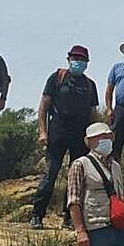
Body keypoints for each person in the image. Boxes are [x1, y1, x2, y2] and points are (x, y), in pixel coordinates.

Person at [32, 45, 99, 230]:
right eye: (75, 59)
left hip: (80, 135)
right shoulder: (57, 78)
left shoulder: (89, 85)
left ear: (87, 63)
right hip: (58, 131)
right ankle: (37, 214)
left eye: (82, 60)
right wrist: (42, 131)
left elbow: (93, 113)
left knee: (75, 178)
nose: (78, 62)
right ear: (68, 59)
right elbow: (43, 107)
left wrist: (95, 137)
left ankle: (69, 217)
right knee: (50, 173)